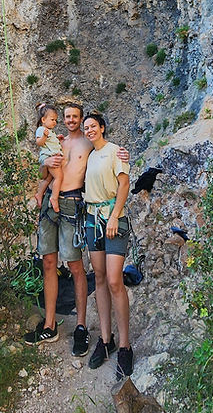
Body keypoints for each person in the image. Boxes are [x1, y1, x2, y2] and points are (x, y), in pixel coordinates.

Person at [23, 102, 129, 357]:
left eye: (75, 117)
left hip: (72, 203)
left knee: (74, 264)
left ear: (82, 120)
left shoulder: (89, 143)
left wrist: (122, 154)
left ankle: (81, 326)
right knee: (48, 262)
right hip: (50, 200)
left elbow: (106, 149)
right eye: (67, 117)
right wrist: (45, 161)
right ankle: (50, 325)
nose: (71, 121)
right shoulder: (57, 142)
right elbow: (43, 171)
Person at [83, 111, 134, 379]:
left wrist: (114, 215)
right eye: (86, 127)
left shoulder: (115, 152)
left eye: (93, 126)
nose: (89, 130)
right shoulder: (90, 156)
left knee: (115, 280)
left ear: (102, 127)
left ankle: (125, 346)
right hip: (92, 220)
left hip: (113, 219)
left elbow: (124, 184)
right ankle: (106, 340)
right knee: (100, 278)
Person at [34, 103, 65, 212]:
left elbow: (50, 142)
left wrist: (57, 138)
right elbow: (39, 142)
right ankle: (54, 198)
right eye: (52, 119)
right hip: (48, 157)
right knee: (59, 177)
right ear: (43, 119)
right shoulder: (41, 130)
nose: (55, 122)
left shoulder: (49, 132)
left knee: (49, 178)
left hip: (50, 155)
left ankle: (39, 194)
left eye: (55, 120)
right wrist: (44, 136)